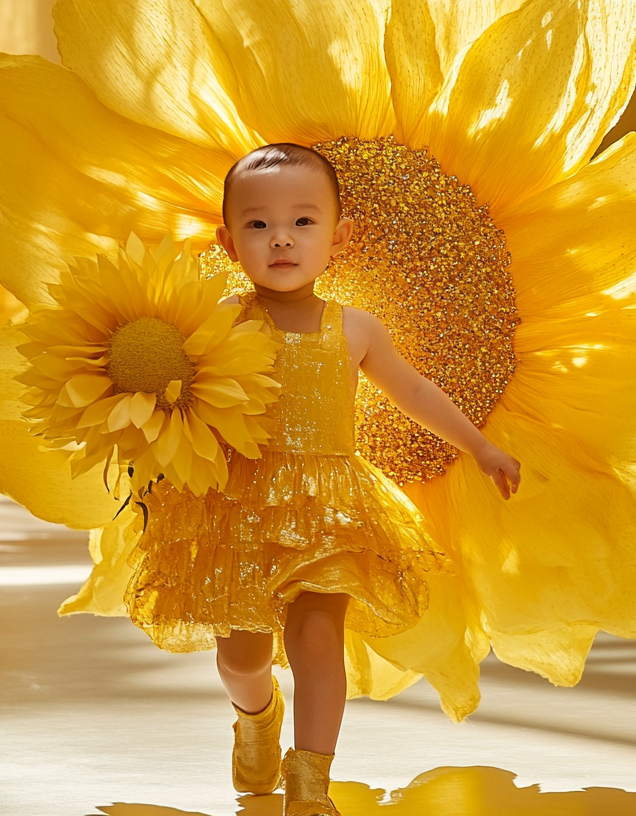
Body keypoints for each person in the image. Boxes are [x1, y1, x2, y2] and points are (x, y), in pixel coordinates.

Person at [117, 144, 521, 813]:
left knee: (315, 637)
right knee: (243, 657)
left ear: (340, 237)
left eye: (303, 222)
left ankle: (310, 784)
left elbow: (415, 392)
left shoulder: (355, 329)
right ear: (228, 241)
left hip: (329, 505)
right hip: (236, 505)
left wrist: (479, 447)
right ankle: (255, 715)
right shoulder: (215, 324)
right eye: (257, 224)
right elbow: (169, 399)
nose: (281, 237)